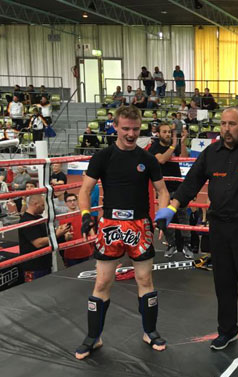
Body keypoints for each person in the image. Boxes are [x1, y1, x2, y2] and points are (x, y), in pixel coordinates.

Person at [155, 106, 238, 356]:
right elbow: (191, 183)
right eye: (223, 124)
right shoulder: (211, 152)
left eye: (232, 124)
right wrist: (172, 207)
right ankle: (227, 330)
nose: (226, 129)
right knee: (223, 282)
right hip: (219, 227)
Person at [74, 105, 171, 360]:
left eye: (135, 129)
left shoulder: (147, 158)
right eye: (125, 128)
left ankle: (150, 332)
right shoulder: (103, 157)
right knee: (102, 282)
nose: (130, 133)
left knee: (145, 280)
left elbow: (162, 191)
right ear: (115, 127)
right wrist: (85, 215)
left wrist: (163, 216)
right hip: (110, 225)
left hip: (140, 225)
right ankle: (93, 337)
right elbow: (85, 191)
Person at [148, 123, 193, 258]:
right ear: (158, 134)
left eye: (169, 132)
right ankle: (171, 244)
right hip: (164, 190)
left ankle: (187, 245)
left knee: (183, 216)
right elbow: (161, 160)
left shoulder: (174, 146)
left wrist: (182, 142)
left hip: (178, 188)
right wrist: (173, 145)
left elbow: (184, 157)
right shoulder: (155, 147)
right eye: (164, 132)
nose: (167, 134)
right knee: (167, 217)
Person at [18, 194, 72, 282]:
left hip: (44, 262)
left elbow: (47, 235)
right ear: (35, 204)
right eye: (42, 205)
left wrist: (61, 232)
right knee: (35, 289)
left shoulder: (39, 218)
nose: (44, 208)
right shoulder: (26, 221)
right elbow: (38, 243)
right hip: (33, 266)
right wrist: (57, 234)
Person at [59, 192, 94, 267]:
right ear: (65, 203)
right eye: (69, 201)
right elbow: (65, 237)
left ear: (77, 201)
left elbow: (92, 232)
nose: (72, 202)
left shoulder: (85, 216)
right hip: (71, 254)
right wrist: (67, 237)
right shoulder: (63, 219)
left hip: (86, 251)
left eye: (74, 200)